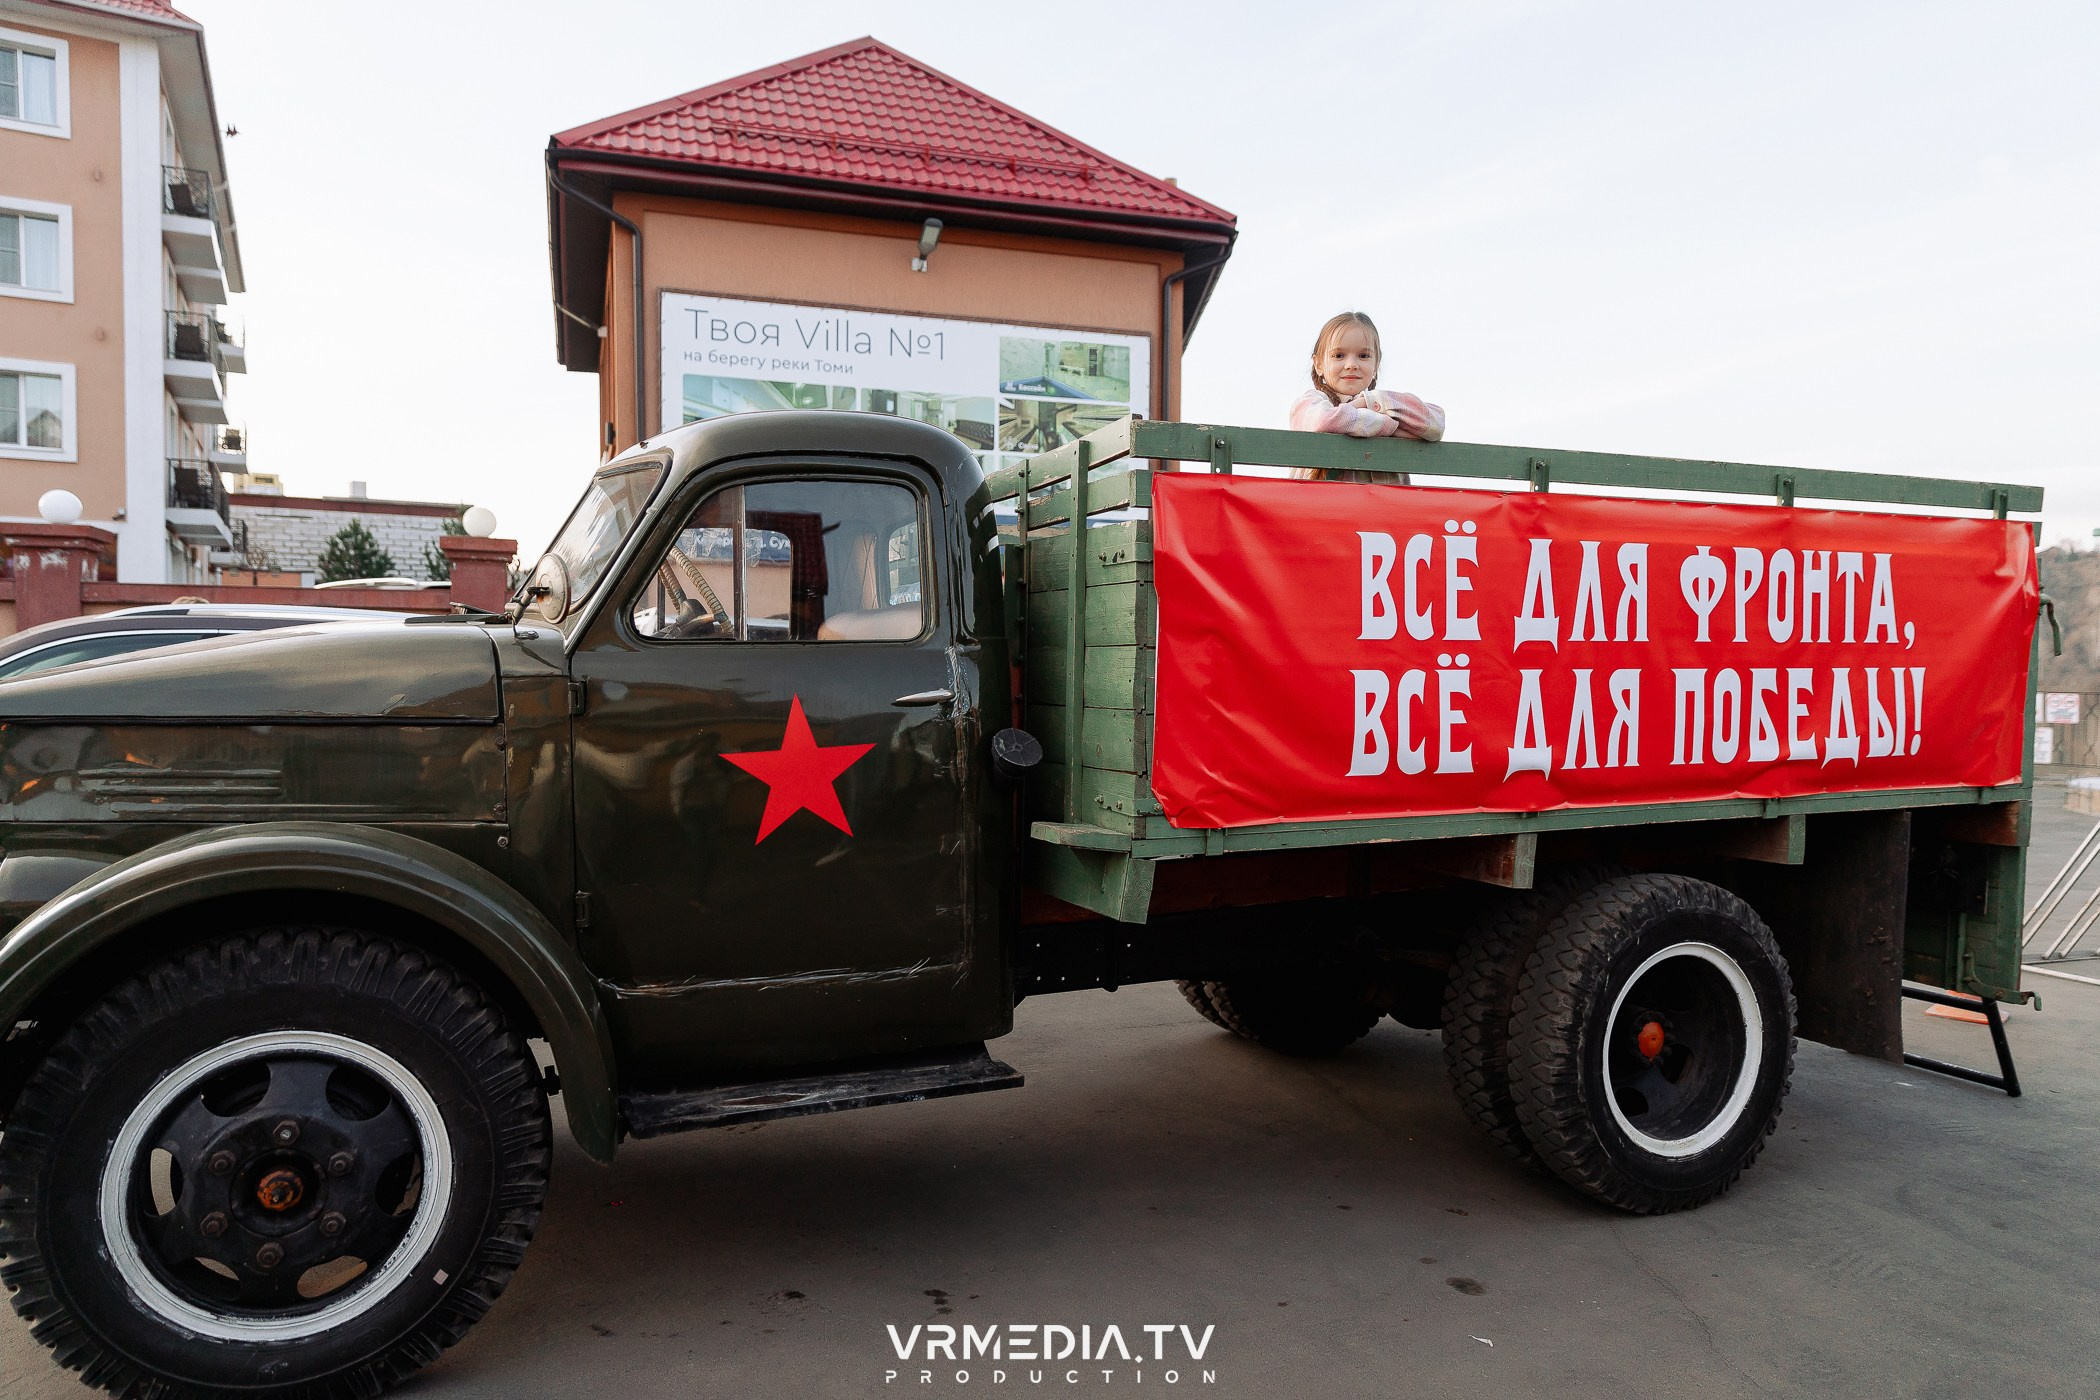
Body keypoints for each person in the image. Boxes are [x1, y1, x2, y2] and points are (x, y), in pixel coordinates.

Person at [1288, 311, 1444, 481]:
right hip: (1325, 505)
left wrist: (1368, 402)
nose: (1351, 365)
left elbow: (1435, 423)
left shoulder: (1386, 402)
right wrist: (1392, 427)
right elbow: (1325, 421)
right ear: (1318, 364)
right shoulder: (1309, 402)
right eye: (1339, 355)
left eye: (1363, 356)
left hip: (1384, 506)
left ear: (1376, 364)